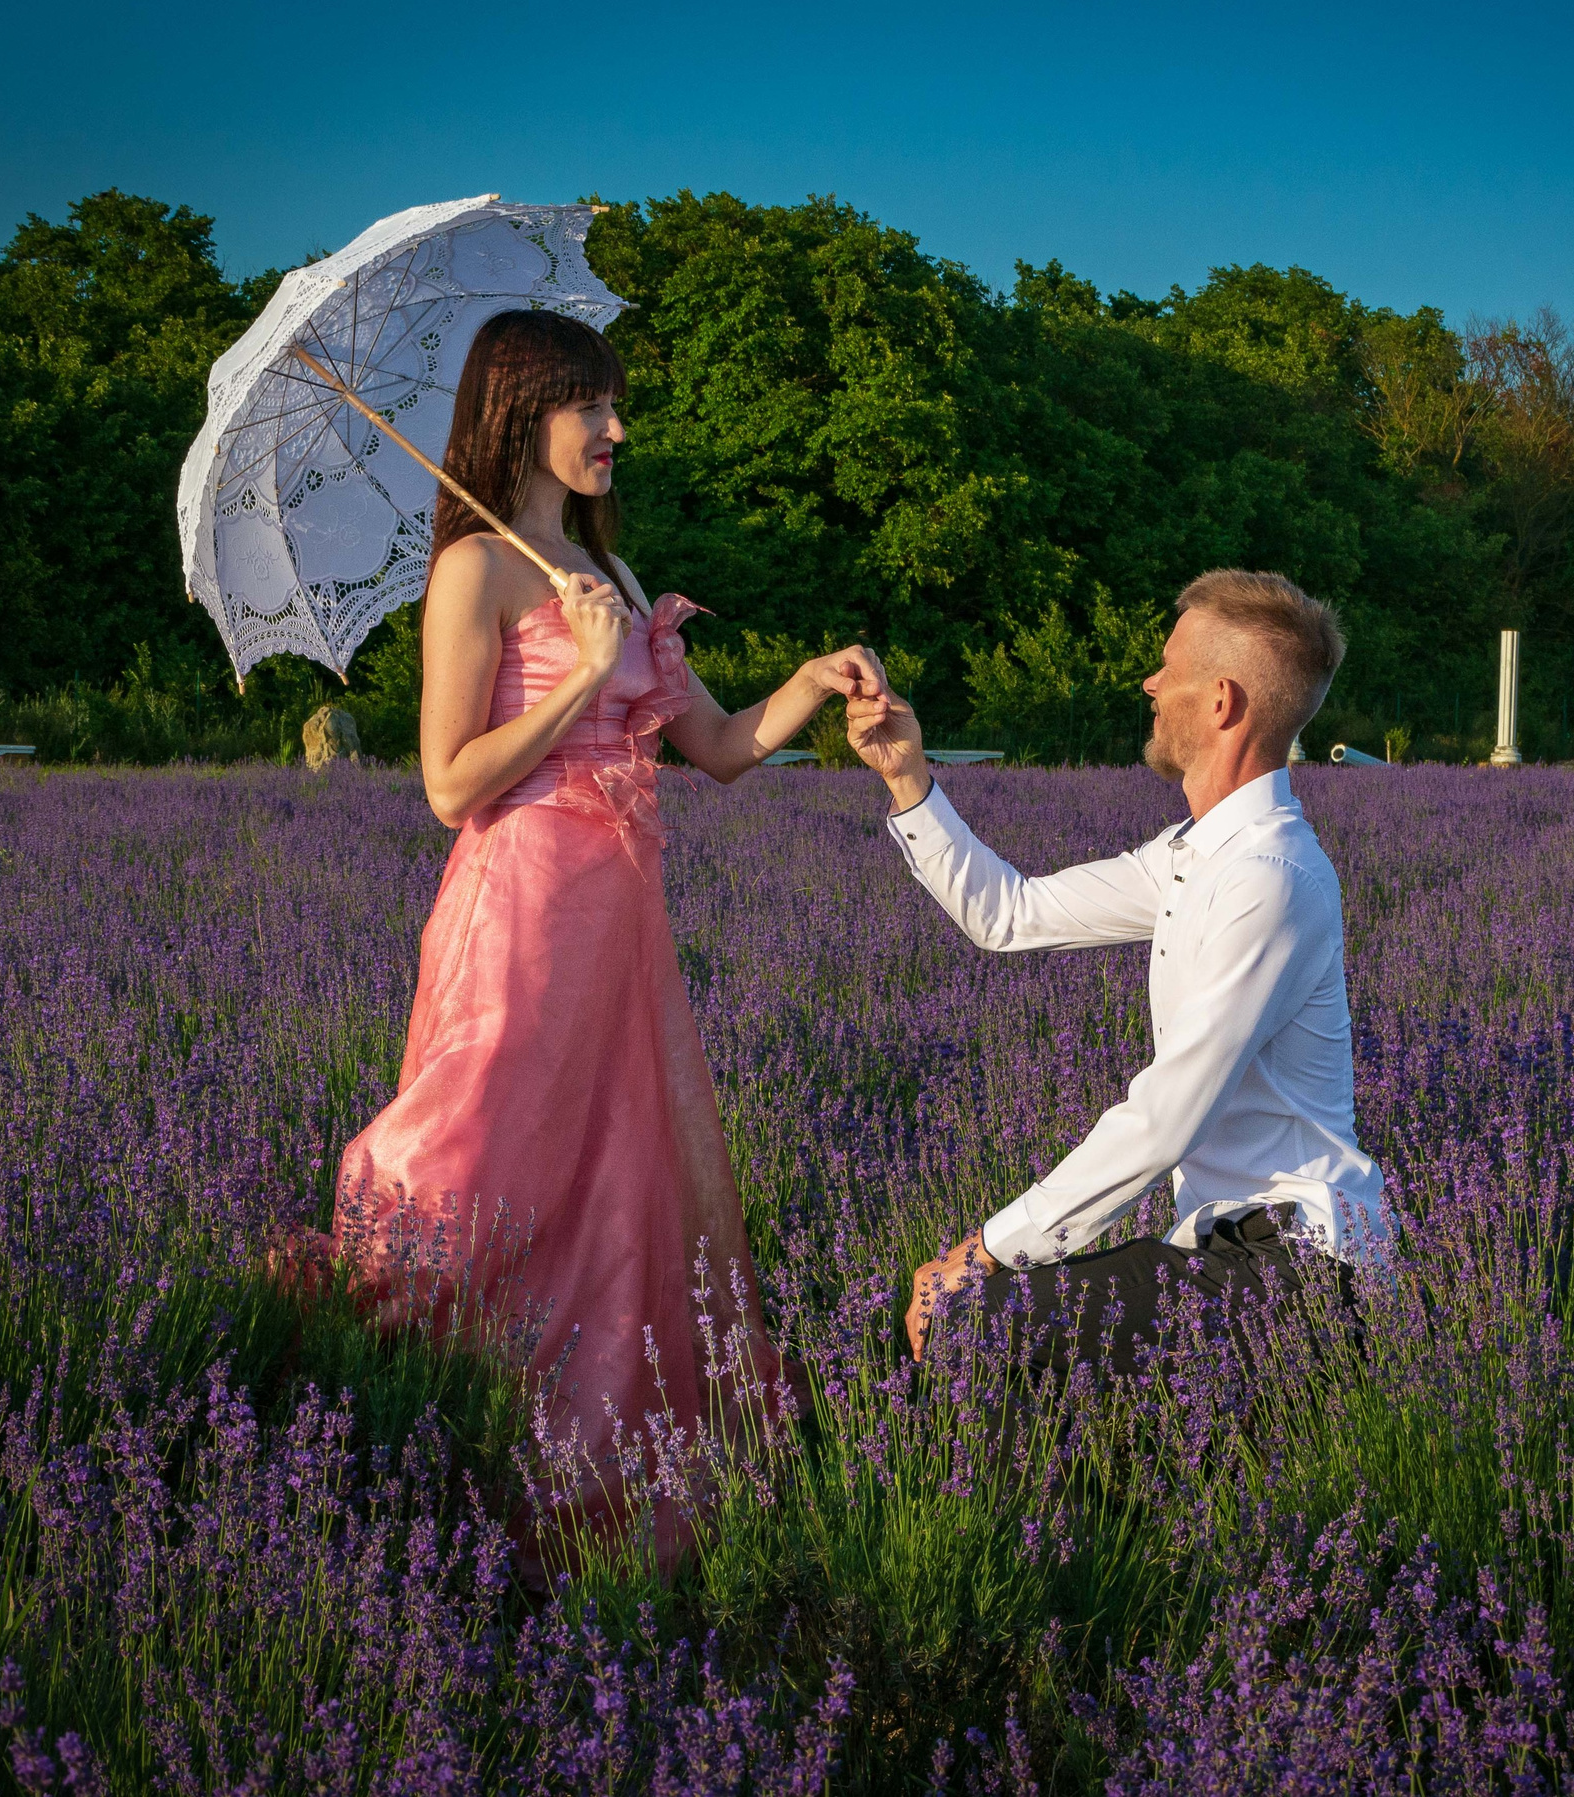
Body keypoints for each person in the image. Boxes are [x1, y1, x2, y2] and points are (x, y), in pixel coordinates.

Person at [326, 309, 882, 1546]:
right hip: (519, 915)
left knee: (617, 1182)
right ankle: (417, 1433)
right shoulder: (473, 570)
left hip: (620, 926)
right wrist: (580, 674)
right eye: (591, 407)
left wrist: (811, 679)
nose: (616, 429)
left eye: (613, 406)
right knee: (485, 1153)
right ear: (521, 414)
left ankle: (591, 1442)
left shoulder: (615, 576)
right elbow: (449, 787)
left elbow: (722, 751)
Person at [844, 569, 1384, 1377]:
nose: (1150, 683)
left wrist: (984, 1252)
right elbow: (1009, 914)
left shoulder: (1271, 878)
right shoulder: (1193, 857)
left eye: (1170, 668)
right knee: (975, 1325)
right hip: (1221, 1250)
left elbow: (1166, 1118)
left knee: (983, 1318)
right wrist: (906, 778)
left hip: (1296, 1271)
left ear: (1221, 703)